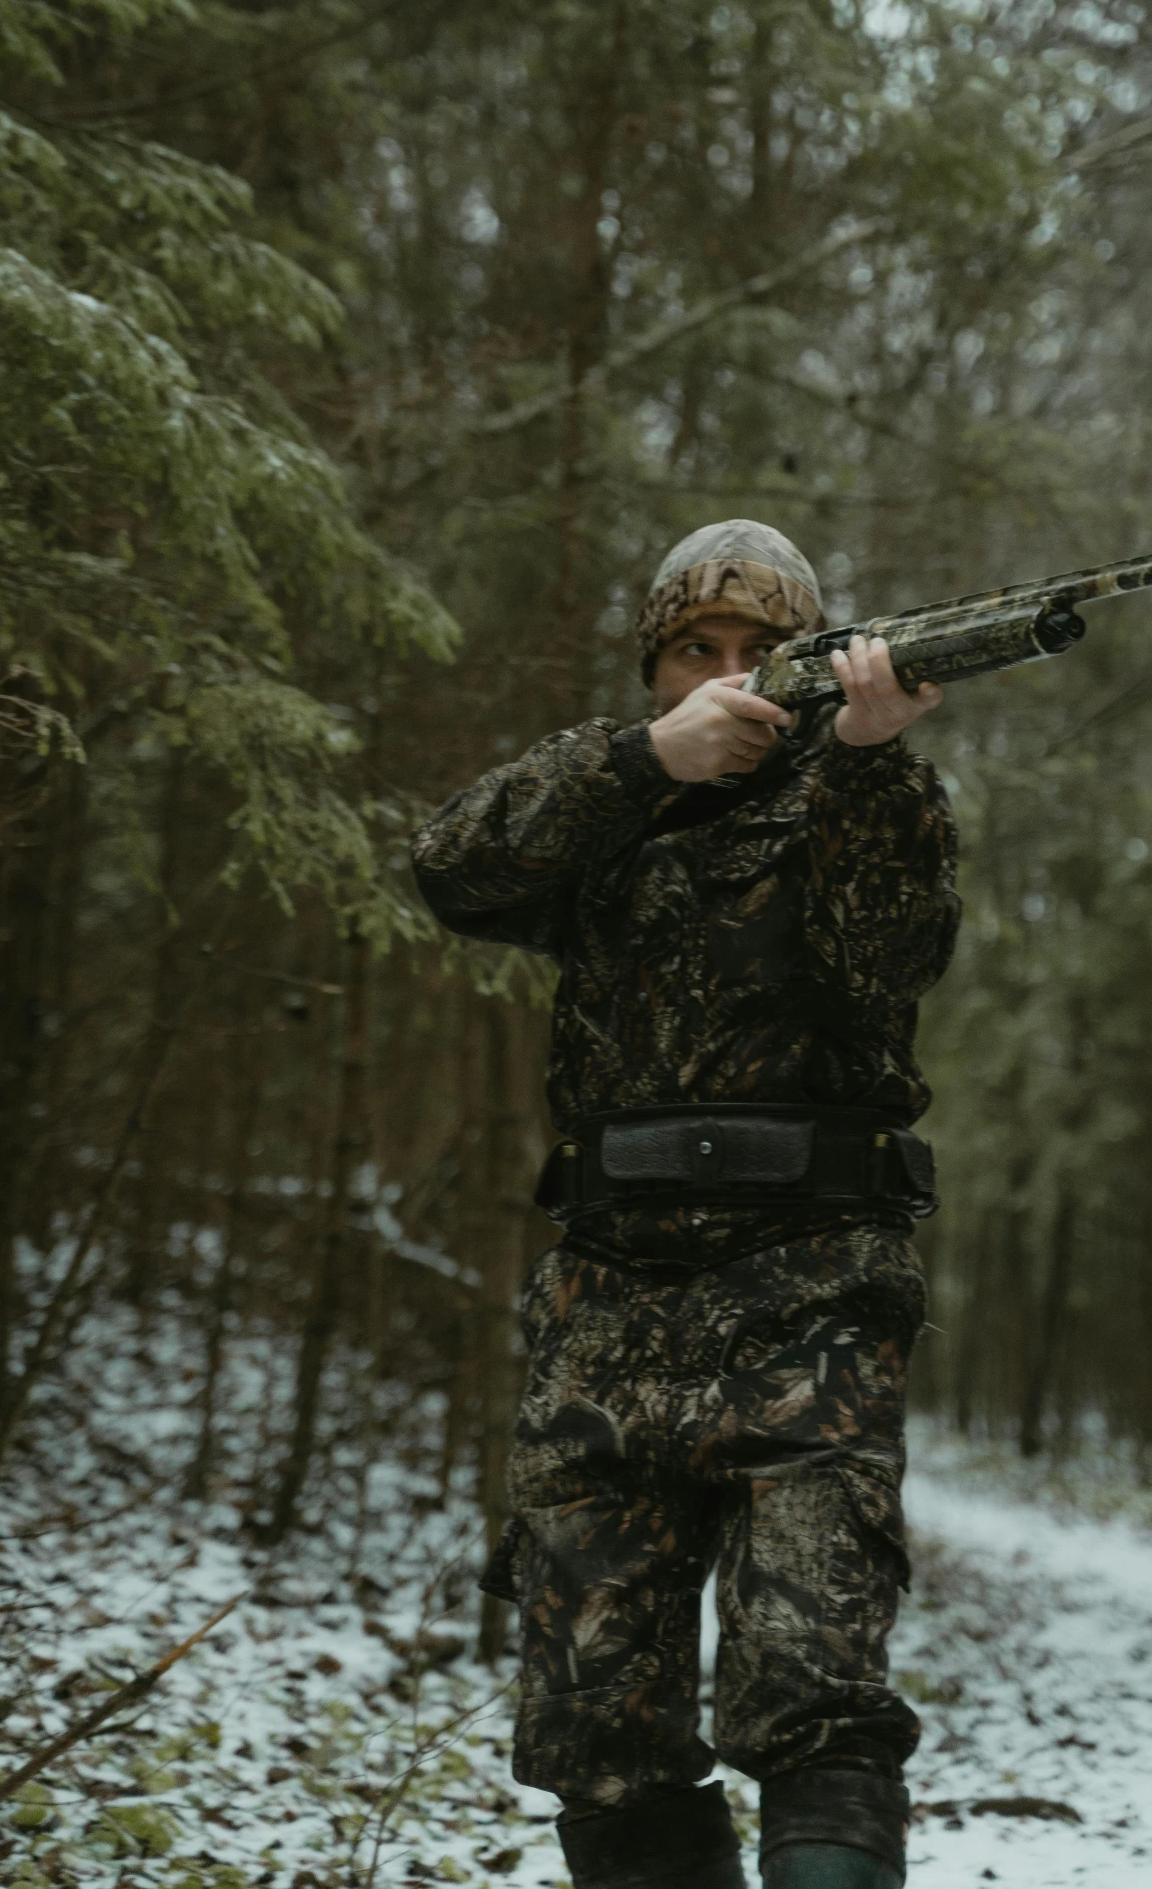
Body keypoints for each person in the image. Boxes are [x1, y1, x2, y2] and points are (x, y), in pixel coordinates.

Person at [411, 521, 961, 1889]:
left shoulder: (865, 793)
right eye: (694, 654)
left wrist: (869, 759)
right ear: (656, 671)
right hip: (608, 1303)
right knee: (597, 1718)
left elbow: (884, 956)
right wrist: (640, 763)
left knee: (811, 1674)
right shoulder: (610, 800)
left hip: (812, 1293)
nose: (729, 676)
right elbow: (449, 867)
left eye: (759, 653)